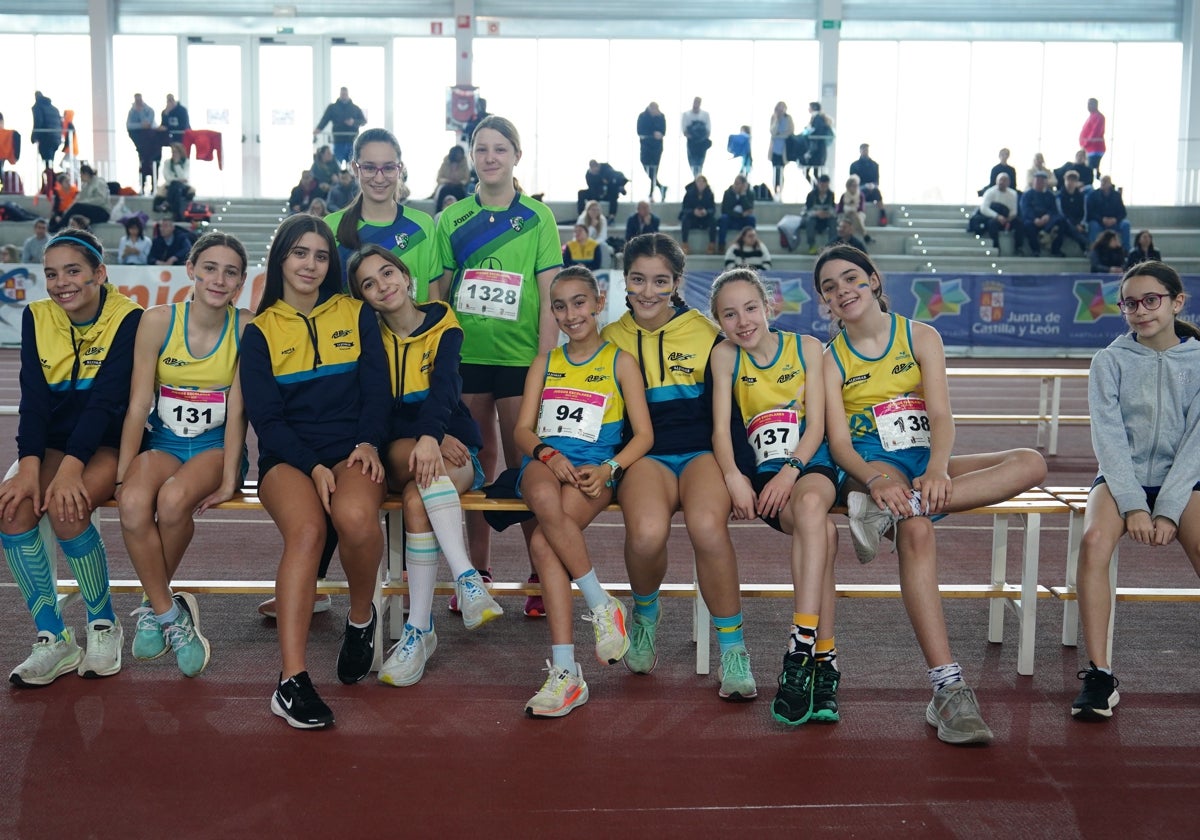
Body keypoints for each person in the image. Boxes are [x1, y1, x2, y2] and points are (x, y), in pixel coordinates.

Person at [816, 244, 1046, 744]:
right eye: (830, 288)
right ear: (826, 304)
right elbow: (838, 444)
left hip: (924, 461)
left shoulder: (921, 335)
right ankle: (948, 688)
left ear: (874, 280)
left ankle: (900, 509)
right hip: (874, 462)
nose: (843, 291)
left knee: (1031, 461)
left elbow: (939, 414)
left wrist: (938, 470)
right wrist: (875, 481)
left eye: (851, 278)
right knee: (917, 534)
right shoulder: (831, 360)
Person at [240, 214, 390, 729]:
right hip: (290, 457)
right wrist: (311, 465)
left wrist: (367, 442)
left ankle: (360, 618)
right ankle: (292, 680)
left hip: (355, 449)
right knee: (306, 531)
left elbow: (376, 392)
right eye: (300, 253)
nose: (310, 264)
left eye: (321, 255)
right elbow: (267, 419)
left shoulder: (356, 313)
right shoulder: (259, 330)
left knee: (353, 515)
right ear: (281, 257)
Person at [603, 234, 758, 699]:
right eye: (638, 280)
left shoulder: (708, 334)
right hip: (645, 455)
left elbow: (729, 414)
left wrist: (740, 473)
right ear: (624, 280)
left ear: (676, 283)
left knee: (708, 528)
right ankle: (645, 615)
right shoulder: (610, 337)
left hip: (703, 451)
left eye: (660, 281)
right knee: (647, 533)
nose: (648, 291)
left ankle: (734, 650)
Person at [345, 244, 504, 687]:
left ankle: (419, 628)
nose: (383, 285)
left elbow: (447, 388)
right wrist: (425, 438)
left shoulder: (444, 322)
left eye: (387, 273)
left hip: (451, 449)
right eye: (369, 284)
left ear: (406, 275)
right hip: (401, 448)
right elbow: (378, 402)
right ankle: (467, 578)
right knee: (418, 463)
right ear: (365, 297)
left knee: (419, 497)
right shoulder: (371, 336)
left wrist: (435, 436)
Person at [434, 115, 563, 619]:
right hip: (466, 358)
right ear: (471, 157)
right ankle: (478, 572)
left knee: (527, 465)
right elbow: (440, 296)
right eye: (481, 149)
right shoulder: (452, 220)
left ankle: (538, 573)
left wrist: (544, 362)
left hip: (519, 360)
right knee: (476, 463)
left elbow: (550, 292)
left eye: (499, 149)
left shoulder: (538, 218)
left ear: (516, 156)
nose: (490, 157)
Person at [0, 230, 142, 686]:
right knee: (13, 508)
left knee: (67, 506)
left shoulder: (128, 317)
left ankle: (104, 625)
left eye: (73, 271)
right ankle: (54, 638)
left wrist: (69, 470)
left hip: (109, 441)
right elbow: (35, 400)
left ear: (99, 273)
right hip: (55, 443)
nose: (61, 283)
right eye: (51, 274)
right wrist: (28, 467)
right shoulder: (37, 317)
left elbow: (106, 402)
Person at [516, 265, 653, 717]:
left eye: (579, 302)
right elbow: (520, 430)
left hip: (592, 473)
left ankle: (565, 673)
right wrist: (547, 454)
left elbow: (644, 436)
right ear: (551, 313)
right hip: (545, 461)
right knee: (538, 493)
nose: (570, 314)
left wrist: (610, 467)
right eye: (560, 306)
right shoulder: (545, 362)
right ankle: (600, 602)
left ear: (598, 303)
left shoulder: (620, 361)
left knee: (542, 541)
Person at [116, 232, 251, 678]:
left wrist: (230, 478)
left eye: (230, 271)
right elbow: (138, 404)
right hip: (165, 441)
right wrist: (122, 474)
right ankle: (168, 612)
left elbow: (237, 415)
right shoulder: (157, 321)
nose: (219, 278)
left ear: (240, 281)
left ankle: (156, 607)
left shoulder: (245, 327)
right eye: (210, 267)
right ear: (191, 269)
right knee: (133, 502)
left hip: (215, 446)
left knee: (174, 501)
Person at [710, 268, 841, 723]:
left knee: (810, 506)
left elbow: (820, 426)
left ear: (769, 307)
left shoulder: (806, 348)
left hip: (812, 466)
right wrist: (732, 476)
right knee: (822, 532)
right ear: (720, 322)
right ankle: (825, 664)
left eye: (750, 308)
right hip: (766, 479)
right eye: (729, 314)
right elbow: (720, 430)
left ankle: (798, 648)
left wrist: (791, 470)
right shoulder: (726, 357)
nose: (742, 321)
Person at [1071, 260, 1200, 721]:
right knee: (1093, 543)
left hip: (1183, 476)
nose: (1141, 311)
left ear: (1176, 302)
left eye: (1151, 300)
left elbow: (1196, 445)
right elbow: (1108, 439)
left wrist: (1166, 509)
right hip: (1120, 476)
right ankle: (1100, 675)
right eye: (1130, 303)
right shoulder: (1109, 360)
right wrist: (1132, 505)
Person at [1019, 171, 1073, 257]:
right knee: (1027, 225)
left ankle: (1056, 250)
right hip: (1032, 221)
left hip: (1048, 221)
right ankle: (1035, 250)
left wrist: (1048, 216)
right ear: (1033, 181)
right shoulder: (1027, 195)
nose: (1039, 183)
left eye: (1041, 181)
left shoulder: (1050, 195)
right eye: (1037, 181)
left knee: (1061, 222)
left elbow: (1054, 210)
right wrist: (1035, 219)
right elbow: (1025, 209)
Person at [314, 87, 367, 166]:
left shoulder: (355, 108)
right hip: (338, 140)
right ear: (340, 94)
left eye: (345, 94)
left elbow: (363, 121)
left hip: (352, 140)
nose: (344, 95)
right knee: (337, 163)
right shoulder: (332, 108)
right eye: (342, 94)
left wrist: (353, 122)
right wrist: (318, 129)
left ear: (348, 94)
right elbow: (325, 119)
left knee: (352, 164)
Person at [973, 172, 1022, 253]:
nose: (1002, 182)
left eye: (1005, 180)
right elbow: (984, 208)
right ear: (996, 181)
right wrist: (997, 216)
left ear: (1008, 182)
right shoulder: (990, 192)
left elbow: (1014, 210)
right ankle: (996, 247)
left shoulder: (1013, 194)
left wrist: (1008, 219)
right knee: (992, 224)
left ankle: (1018, 247)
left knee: (1019, 223)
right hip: (993, 217)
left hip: (1007, 217)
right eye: (1000, 180)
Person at [1086, 175, 1131, 251]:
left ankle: (1126, 249)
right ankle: (1092, 250)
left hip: (1115, 222)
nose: (1104, 184)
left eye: (1106, 182)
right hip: (1099, 222)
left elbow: (1123, 212)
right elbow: (1090, 213)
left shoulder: (1116, 195)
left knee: (1126, 224)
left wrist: (1115, 219)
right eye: (1102, 182)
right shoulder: (1093, 195)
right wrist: (1102, 219)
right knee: (1093, 225)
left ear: (1110, 183)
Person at [127, 93, 161, 194]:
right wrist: (140, 124)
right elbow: (129, 126)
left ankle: (153, 187)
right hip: (141, 147)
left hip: (153, 146)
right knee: (143, 165)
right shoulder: (132, 112)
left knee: (154, 166)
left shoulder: (149, 111)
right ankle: (142, 186)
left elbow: (147, 124)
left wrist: (140, 111)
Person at [849, 143, 888, 225]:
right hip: (859, 189)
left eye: (866, 150)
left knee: (877, 192)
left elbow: (877, 180)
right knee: (859, 193)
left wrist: (873, 185)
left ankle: (883, 216)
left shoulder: (874, 165)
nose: (865, 151)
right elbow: (852, 182)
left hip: (872, 189)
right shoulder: (854, 165)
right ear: (860, 151)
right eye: (863, 150)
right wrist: (863, 186)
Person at [637, 102, 667, 202]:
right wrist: (652, 133)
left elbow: (663, 131)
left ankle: (651, 193)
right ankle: (660, 187)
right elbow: (640, 131)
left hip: (656, 148)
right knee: (646, 167)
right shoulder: (642, 116)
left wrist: (660, 134)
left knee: (654, 170)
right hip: (645, 147)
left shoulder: (661, 117)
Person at [679, 174, 716, 255]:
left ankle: (712, 244)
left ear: (706, 184)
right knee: (685, 219)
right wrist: (693, 212)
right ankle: (685, 244)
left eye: (703, 182)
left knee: (713, 220)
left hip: (704, 218)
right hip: (693, 219)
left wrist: (706, 212)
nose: (701, 184)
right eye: (699, 182)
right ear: (695, 183)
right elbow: (684, 209)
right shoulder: (689, 194)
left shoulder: (710, 194)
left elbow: (712, 209)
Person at [717, 174, 756, 251]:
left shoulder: (750, 194)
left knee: (752, 219)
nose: (735, 185)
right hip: (731, 218)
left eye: (738, 183)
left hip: (743, 220)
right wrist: (741, 215)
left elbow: (749, 209)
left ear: (744, 185)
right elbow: (725, 210)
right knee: (723, 218)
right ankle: (721, 245)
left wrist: (743, 196)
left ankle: (751, 244)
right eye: (735, 183)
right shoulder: (728, 193)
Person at [1057, 170, 1092, 253]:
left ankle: (1087, 246)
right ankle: (1086, 244)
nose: (1070, 182)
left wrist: (1080, 224)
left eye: (1073, 180)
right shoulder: (1059, 196)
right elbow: (1061, 213)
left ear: (1076, 182)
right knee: (1066, 223)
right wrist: (1075, 225)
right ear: (1065, 180)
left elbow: (1084, 213)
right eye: (1068, 180)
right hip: (1066, 223)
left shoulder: (1082, 197)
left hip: (1079, 223)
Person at [157, 142, 194, 221]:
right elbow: (167, 177)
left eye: (176, 152)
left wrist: (177, 164)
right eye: (173, 152)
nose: (174, 154)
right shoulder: (167, 162)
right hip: (170, 185)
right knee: (175, 186)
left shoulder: (186, 162)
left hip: (184, 186)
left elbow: (184, 176)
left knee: (177, 186)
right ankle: (176, 215)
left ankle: (167, 203)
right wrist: (178, 179)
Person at [801, 101, 834, 184]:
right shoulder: (817, 118)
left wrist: (809, 132)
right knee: (813, 172)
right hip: (818, 149)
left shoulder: (818, 118)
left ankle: (817, 187)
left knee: (813, 172)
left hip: (817, 150)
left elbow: (818, 131)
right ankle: (817, 187)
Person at [802, 174, 836, 254]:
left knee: (833, 221)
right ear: (818, 184)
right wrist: (817, 213)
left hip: (826, 218)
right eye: (822, 185)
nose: (823, 188)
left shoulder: (831, 195)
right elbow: (807, 211)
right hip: (814, 217)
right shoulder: (811, 195)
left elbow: (833, 209)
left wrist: (828, 214)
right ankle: (812, 245)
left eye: (825, 185)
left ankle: (832, 246)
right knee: (810, 221)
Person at [681, 96, 712, 178]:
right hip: (692, 143)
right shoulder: (686, 114)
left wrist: (702, 138)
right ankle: (696, 179)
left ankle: (698, 179)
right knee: (692, 163)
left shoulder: (705, 114)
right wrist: (693, 137)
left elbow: (708, 130)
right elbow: (684, 131)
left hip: (702, 143)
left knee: (700, 164)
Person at [769, 102, 795, 196]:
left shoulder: (788, 118)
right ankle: (775, 189)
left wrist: (780, 135)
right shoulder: (774, 117)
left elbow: (790, 131)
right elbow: (772, 131)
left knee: (781, 170)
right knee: (775, 169)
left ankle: (780, 189)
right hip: (774, 149)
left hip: (783, 149)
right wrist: (777, 119)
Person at [32, 91, 61, 170]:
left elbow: (38, 122)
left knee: (47, 162)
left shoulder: (38, 107)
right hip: (56, 139)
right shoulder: (54, 109)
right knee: (50, 161)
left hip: (46, 138)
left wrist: (33, 137)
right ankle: (50, 178)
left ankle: (49, 179)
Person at [837, 175, 868, 242]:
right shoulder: (844, 195)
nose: (855, 187)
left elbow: (861, 208)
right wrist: (847, 210)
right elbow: (839, 209)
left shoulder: (861, 195)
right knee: (846, 220)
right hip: (845, 214)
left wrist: (853, 210)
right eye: (853, 185)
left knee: (855, 217)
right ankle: (865, 234)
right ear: (848, 186)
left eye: (856, 185)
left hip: (858, 214)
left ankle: (850, 240)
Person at [1080, 97, 1107, 175]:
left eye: (1090, 104)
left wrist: (1085, 144)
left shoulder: (1099, 117)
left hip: (1095, 149)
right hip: (1088, 149)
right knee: (1090, 169)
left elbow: (1095, 132)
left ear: (1095, 105)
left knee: (1091, 170)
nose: (1088, 106)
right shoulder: (1091, 116)